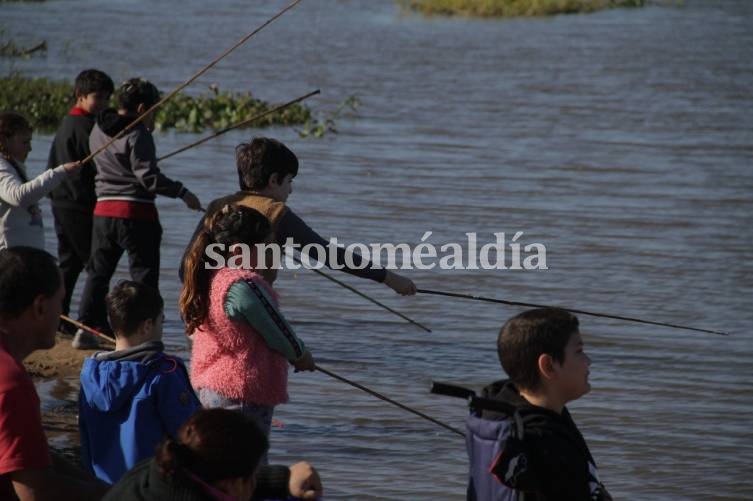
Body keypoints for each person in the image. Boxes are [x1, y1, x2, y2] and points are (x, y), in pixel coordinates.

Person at [180, 136, 416, 295]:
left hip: (205, 307)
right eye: (289, 181)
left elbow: (186, 267)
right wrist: (388, 278)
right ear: (274, 180)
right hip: (250, 306)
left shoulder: (217, 206)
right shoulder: (275, 212)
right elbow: (329, 254)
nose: (291, 189)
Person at [180, 204, 315, 463]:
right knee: (245, 465)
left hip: (212, 386)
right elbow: (277, 329)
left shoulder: (210, 275)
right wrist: (300, 355)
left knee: (217, 461)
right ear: (240, 251)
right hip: (241, 392)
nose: (273, 254)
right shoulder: (243, 285)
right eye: (267, 247)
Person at [74, 77, 202, 349]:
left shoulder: (97, 128)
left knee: (98, 273)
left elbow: (121, 166)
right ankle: (144, 336)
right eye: (153, 110)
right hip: (136, 213)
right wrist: (182, 192)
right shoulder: (138, 133)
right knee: (144, 278)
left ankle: (84, 328)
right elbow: (147, 177)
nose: (154, 116)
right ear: (142, 107)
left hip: (103, 212)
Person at [465, 308, 611, 501]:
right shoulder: (549, 446)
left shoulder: (500, 415)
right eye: (579, 351)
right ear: (548, 366)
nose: (588, 361)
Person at [0, 246, 108, 500]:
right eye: (60, 301)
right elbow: (36, 492)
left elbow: (30, 457)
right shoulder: (10, 382)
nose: (61, 314)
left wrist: (103, 487)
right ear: (39, 307)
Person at [78, 280, 201, 484]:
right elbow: (190, 434)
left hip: (106, 489)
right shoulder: (164, 373)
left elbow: (86, 438)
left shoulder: (90, 375)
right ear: (147, 326)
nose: (162, 326)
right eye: (161, 321)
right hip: (152, 488)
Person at [103, 408, 323, 501]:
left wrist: (282, 479)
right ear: (235, 484)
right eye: (253, 476)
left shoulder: (155, 472)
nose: (256, 480)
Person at [47, 69, 115, 324]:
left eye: (107, 98)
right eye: (98, 97)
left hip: (61, 200)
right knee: (96, 264)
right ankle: (93, 320)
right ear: (80, 95)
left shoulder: (69, 122)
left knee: (70, 262)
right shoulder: (84, 126)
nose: (103, 104)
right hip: (76, 203)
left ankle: (60, 317)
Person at [0, 111, 81, 250]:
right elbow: (19, 196)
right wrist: (59, 173)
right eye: (25, 142)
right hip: (12, 258)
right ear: (5, 140)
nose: (30, 148)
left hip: (25, 254)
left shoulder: (12, 166)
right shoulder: (1, 168)